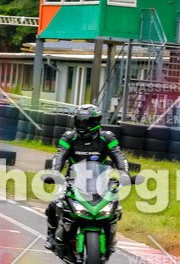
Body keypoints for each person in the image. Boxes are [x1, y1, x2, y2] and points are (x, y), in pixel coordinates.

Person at [44, 104, 128, 250]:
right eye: (80, 120)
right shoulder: (69, 137)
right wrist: (55, 173)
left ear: (96, 122)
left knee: (115, 206)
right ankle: (51, 235)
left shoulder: (107, 138)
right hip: (72, 181)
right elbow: (60, 155)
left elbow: (118, 155)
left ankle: (110, 239)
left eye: (86, 121)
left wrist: (124, 173)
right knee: (54, 204)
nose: (82, 124)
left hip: (100, 182)